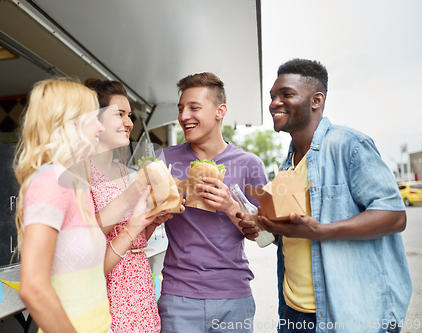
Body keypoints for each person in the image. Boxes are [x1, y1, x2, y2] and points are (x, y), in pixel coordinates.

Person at [239, 59, 412, 333]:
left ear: (316, 100)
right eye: (272, 96)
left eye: (286, 94)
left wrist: (322, 231)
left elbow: (394, 217)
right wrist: (267, 229)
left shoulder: (350, 146)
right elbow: (296, 236)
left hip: (346, 316)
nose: (274, 102)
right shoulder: (288, 165)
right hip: (293, 314)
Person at [14, 78, 157, 333]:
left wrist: (139, 224)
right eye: (93, 117)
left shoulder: (75, 183)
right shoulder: (51, 180)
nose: (100, 127)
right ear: (69, 123)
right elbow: (33, 288)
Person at [156, 72, 268, 333]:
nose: (184, 117)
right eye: (181, 109)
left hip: (234, 296)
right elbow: (141, 217)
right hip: (178, 296)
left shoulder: (250, 164)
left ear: (220, 111)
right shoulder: (163, 160)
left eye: (194, 108)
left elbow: (264, 235)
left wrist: (230, 206)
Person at [84, 78, 168, 333]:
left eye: (129, 115)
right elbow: (86, 239)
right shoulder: (80, 172)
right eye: (119, 114)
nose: (129, 123)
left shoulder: (124, 171)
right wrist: (129, 198)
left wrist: (152, 222)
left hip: (140, 291)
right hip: (109, 295)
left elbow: (135, 238)